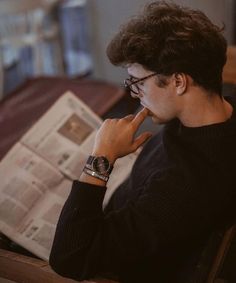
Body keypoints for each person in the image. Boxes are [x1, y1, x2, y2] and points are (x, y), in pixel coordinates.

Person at [49, 1, 236, 282]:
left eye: (138, 82)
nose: (134, 94)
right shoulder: (215, 118)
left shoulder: (182, 188)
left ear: (179, 82)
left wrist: (101, 159)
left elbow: (69, 258)